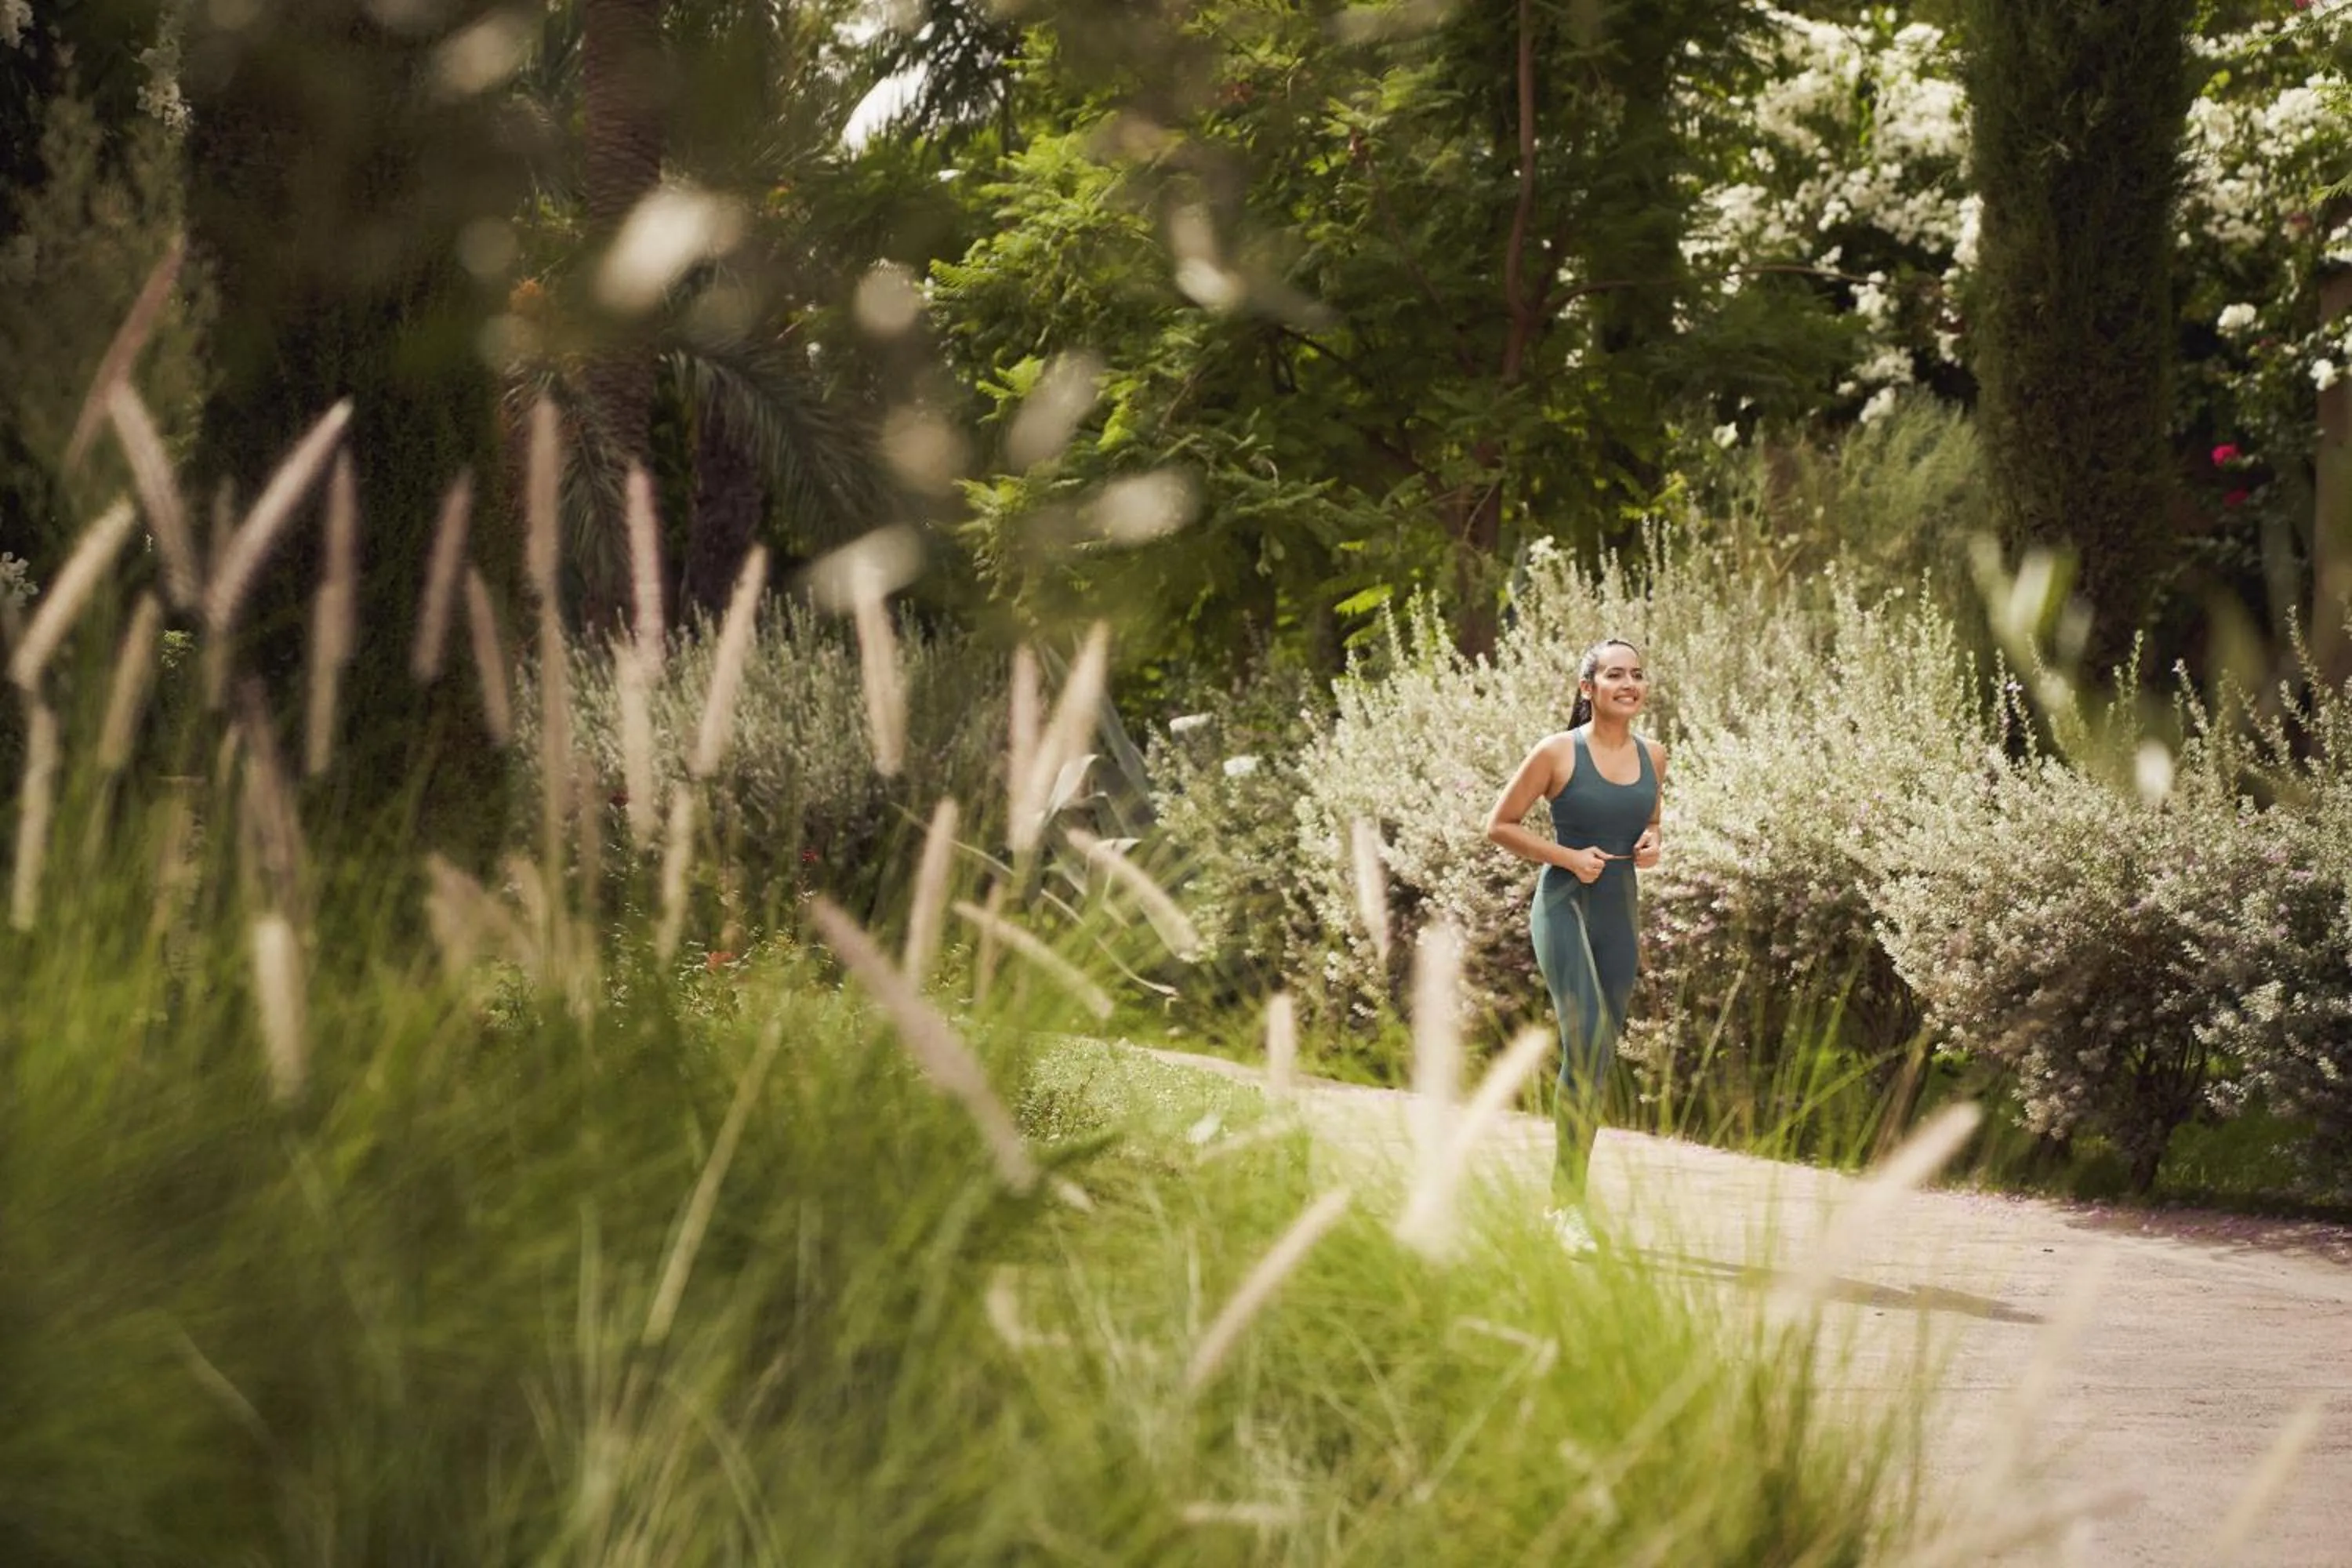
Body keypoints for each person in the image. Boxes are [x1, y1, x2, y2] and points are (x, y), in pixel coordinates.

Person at [1483, 637, 1665, 1252]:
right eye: (1615, 675)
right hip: (1564, 906)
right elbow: (1498, 825)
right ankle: (1566, 1206)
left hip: (1619, 912)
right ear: (1588, 688)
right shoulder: (1557, 752)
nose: (1629, 684)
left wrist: (1653, 841)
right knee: (1585, 1037)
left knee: (1599, 1054)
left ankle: (1565, 1199)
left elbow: (1650, 819)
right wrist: (1566, 857)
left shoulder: (1655, 755)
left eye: (1636, 674)